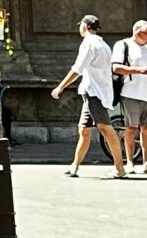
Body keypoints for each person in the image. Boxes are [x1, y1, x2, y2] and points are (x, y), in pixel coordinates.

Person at [51, 14, 127, 177]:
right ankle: (75, 166)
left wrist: (60, 86)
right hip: (93, 92)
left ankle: (120, 168)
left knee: (106, 129)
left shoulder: (89, 44)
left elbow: (77, 69)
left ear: (84, 26)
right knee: (84, 131)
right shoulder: (103, 44)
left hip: (95, 93)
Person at [111, 19, 147, 174]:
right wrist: (139, 70)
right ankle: (129, 162)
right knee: (131, 128)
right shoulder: (123, 45)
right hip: (130, 92)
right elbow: (116, 67)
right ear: (137, 32)